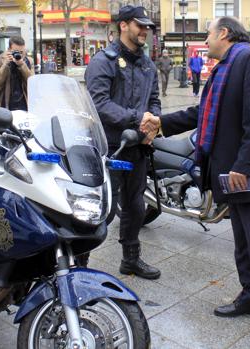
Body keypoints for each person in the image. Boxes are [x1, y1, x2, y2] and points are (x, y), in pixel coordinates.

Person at [141, 17, 250, 344]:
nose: (206, 39)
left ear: (224, 33)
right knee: (244, 244)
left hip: (249, 175)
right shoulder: (226, 66)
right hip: (232, 175)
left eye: (209, 34)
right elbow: (204, 113)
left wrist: (245, 166)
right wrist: (162, 122)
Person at [85, 4, 162, 279]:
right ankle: (79, 264)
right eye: (140, 25)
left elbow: (154, 100)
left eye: (147, 27)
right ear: (124, 25)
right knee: (101, 211)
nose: (145, 31)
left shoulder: (147, 64)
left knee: (135, 206)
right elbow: (99, 103)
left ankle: (131, 259)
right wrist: (138, 118)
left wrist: (154, 123)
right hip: (109, 148)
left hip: (138, 148)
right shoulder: (103, 61)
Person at [0, 36, 34, 111]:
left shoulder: (29, 61)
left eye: (21, 52)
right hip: (4, 105)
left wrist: (22, 65)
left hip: (24, 104)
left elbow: (32, 82)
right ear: (9, 50)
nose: (19, 55)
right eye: (16, 52)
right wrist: (5, 65)